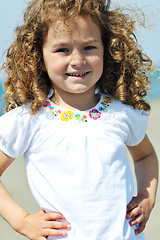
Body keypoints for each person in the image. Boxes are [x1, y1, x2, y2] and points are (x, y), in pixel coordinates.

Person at [0, 0, 158, 239]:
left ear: (107, 49)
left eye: (89, 47)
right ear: (39, 57)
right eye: (63, 49)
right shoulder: (28, 119)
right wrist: (21, 221)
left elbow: (145, 155)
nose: (78, 60)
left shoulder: (120, 113)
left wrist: (147, 197)